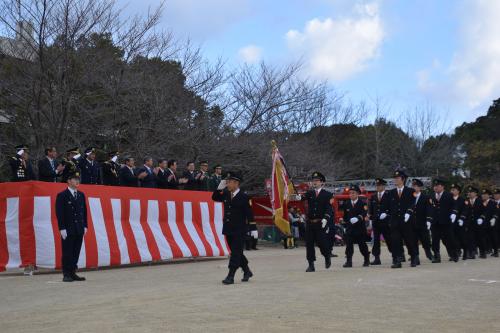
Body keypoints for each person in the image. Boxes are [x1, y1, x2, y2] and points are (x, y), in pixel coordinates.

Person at [212, 171, 254, 285]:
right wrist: (219, 188)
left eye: (229, 182)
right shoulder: (226, 193)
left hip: (240, 229)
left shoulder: (244, 197)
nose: (227, 184)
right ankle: (246, 270)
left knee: (235, 253)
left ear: (236, 183)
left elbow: (249, 213)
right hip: (228, 228)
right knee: (237, 252)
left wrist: (253, 228)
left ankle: (230, 276)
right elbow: (215, 197)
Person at [55, 171, 87, 282]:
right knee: (67, 252)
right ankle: (66, 273)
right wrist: (62, 228)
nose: (77, 181)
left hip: (79, 227)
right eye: (74, 179)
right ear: (68, 181)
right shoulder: (62, 195)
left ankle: (73, 272)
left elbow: (84, 211)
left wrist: (85, 225)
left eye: (78, 179)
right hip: (68, 228)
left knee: (76, 251)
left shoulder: (81, 195)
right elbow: (60, 214)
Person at [301, 172, 333, 272]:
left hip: (320, 222)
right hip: (310, 222)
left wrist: (326, 218)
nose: (315, 182)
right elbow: (301, 198)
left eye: (317, 181)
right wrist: (297, 196)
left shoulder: (327, 194)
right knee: (309, 244)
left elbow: (329, 208)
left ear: (322, 182)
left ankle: (327, 256)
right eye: (313, 180)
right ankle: (311, 264)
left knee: (321, 243)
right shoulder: (309, 193)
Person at [388, 169, 418, 268]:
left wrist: (409, 212)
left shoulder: (410, 191)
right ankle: (397, 260)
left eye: (398, 178)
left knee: (409, 240)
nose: (395, 180)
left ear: (403, 179)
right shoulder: (391, 192)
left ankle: (414, 257)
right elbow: (388, 206)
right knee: (395, 241)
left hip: (406, 221)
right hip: (395, 221)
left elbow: (413, 203)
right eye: (395, 178)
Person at [429, 179, 458, 263]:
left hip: (445, 221)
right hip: (435, 222)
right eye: (434, 186)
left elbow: (454, 206)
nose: (436, 188)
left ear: (442, 186)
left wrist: (454, 213)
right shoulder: (431, 196)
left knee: (448, 239)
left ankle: (453, 254)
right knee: (435, 239)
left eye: (437, 186)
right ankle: (437, 256)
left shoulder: (448, 195)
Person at [341, 185, 370, 268]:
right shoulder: (347, 204)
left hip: (359, 228)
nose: (351, 195)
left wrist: (358, 218)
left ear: (357, 194)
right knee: (349, 246)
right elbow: (345, 216)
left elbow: (364, 213)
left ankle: (366, 259)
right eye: (350, 193)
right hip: (350, 228)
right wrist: (345, 225)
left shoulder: (362, 203)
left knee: (362, 245)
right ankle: (349, 261)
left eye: (353, 193)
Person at [368, 178, 392, 265]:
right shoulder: (373, 196)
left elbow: (392, 208)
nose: (378, 187)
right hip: (376, 222)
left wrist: (387, 214)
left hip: (385, 222)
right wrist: (370, 218)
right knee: (376, 241)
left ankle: (395, 255)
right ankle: (377, 258)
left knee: (389, 239)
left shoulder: (388, 195)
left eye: (380, 185)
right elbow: (371, 209)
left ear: (383, 186)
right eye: (377, 185)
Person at [411, 178, 434, 263]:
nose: (414, 188)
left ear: (420, 188)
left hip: (422, 222)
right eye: (413, 186)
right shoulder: (410, 197)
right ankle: (416, 257)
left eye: (416, 186)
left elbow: (429, 209)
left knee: (425, 239)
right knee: (413, 241)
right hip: (412, 223)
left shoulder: (425, 197)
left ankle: (428, 253)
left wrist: (429, 220)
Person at [450, 184, 469, 260]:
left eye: (454, 190)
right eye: (451, 190)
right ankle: (456, 252)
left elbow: (465, 210)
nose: (452, 191)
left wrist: (462, 218)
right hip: (451, 222)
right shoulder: (449, 199)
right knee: (452, 238)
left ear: (458, 191)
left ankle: (465, 251)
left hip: (459, 222)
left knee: (462, 238)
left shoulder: (463, 200)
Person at [467, 186, 485, 259]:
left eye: (471, 192)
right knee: (470, 238)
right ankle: (472, 252)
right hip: (469, 223)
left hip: (478, 222)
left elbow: (484, 211)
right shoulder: (467, 201)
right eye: (469, 192)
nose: (470, 194)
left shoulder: (480, 201)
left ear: (475, 193)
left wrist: (482, 218)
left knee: (480, 237)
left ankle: (482, 251)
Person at [481, 189, 498, 257]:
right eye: (483, 194)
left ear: (489, 195)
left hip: (491, 223)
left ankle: (496, 251)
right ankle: (484, 251)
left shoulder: (493, 203)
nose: (484, 196)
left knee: (493, 237)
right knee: (483, 237)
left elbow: (496, 212)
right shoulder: (480, 202)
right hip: (483, 223)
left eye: (485, 194)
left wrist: (494, 218)